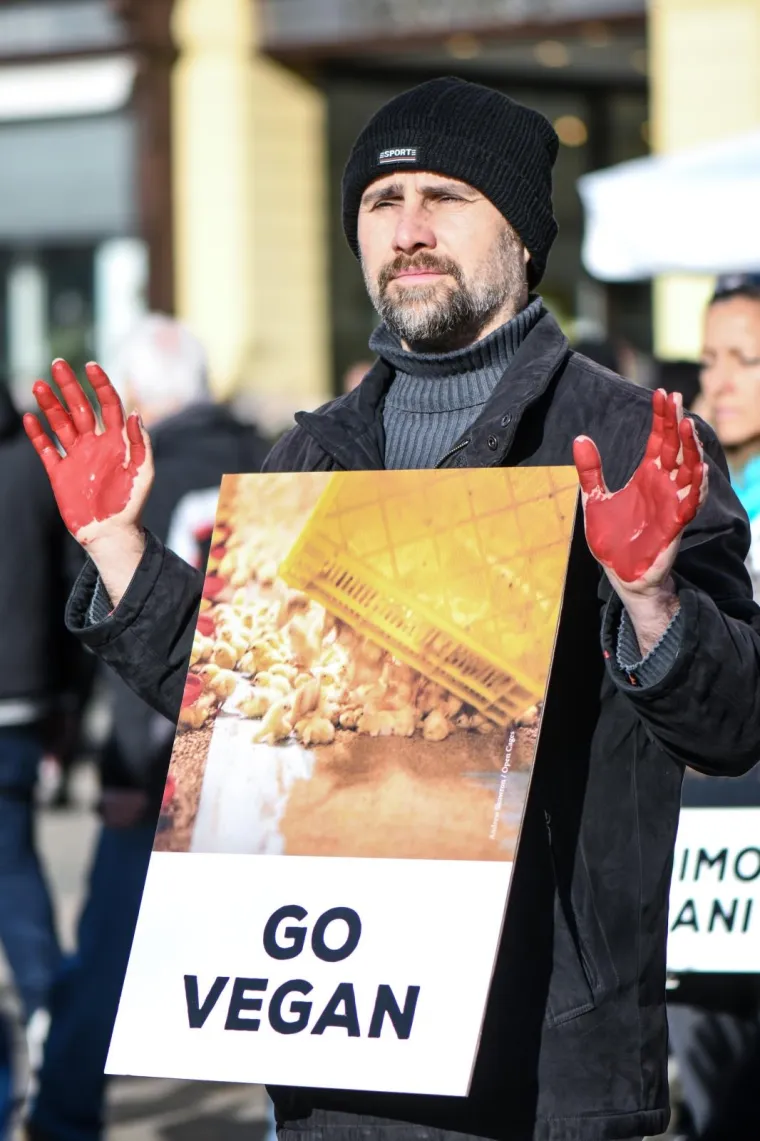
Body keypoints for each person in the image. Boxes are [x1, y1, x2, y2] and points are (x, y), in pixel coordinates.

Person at [22, 78, 760, 1141]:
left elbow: (731, 725)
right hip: (336, 1051)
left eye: (444, 196)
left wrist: (651, 601)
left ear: (519, 233)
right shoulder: (311, 452)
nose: (408, 230)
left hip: (540, 1070)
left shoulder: (628, 438)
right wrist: (120, 553)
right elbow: (240, 721)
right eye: (382, 201)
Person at [26, 315, 270, 1141]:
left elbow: (146, 634)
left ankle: (61, 1117)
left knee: (105, 961)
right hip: (261, 741)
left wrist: (127, 771)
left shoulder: (136, 473)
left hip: (166, 748)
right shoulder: (272, 453)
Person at [666, 272, 760, 1141]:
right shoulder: (693, 490)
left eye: (746, 360)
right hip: (706, 866)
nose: (718, 383)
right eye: (709, 359)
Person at [0, 383, 91, 1132]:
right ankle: (41, 999)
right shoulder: (31, 461)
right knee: (13, 859)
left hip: (28, 695)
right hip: (23, 695)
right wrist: (67, 697)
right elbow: (71, 578)